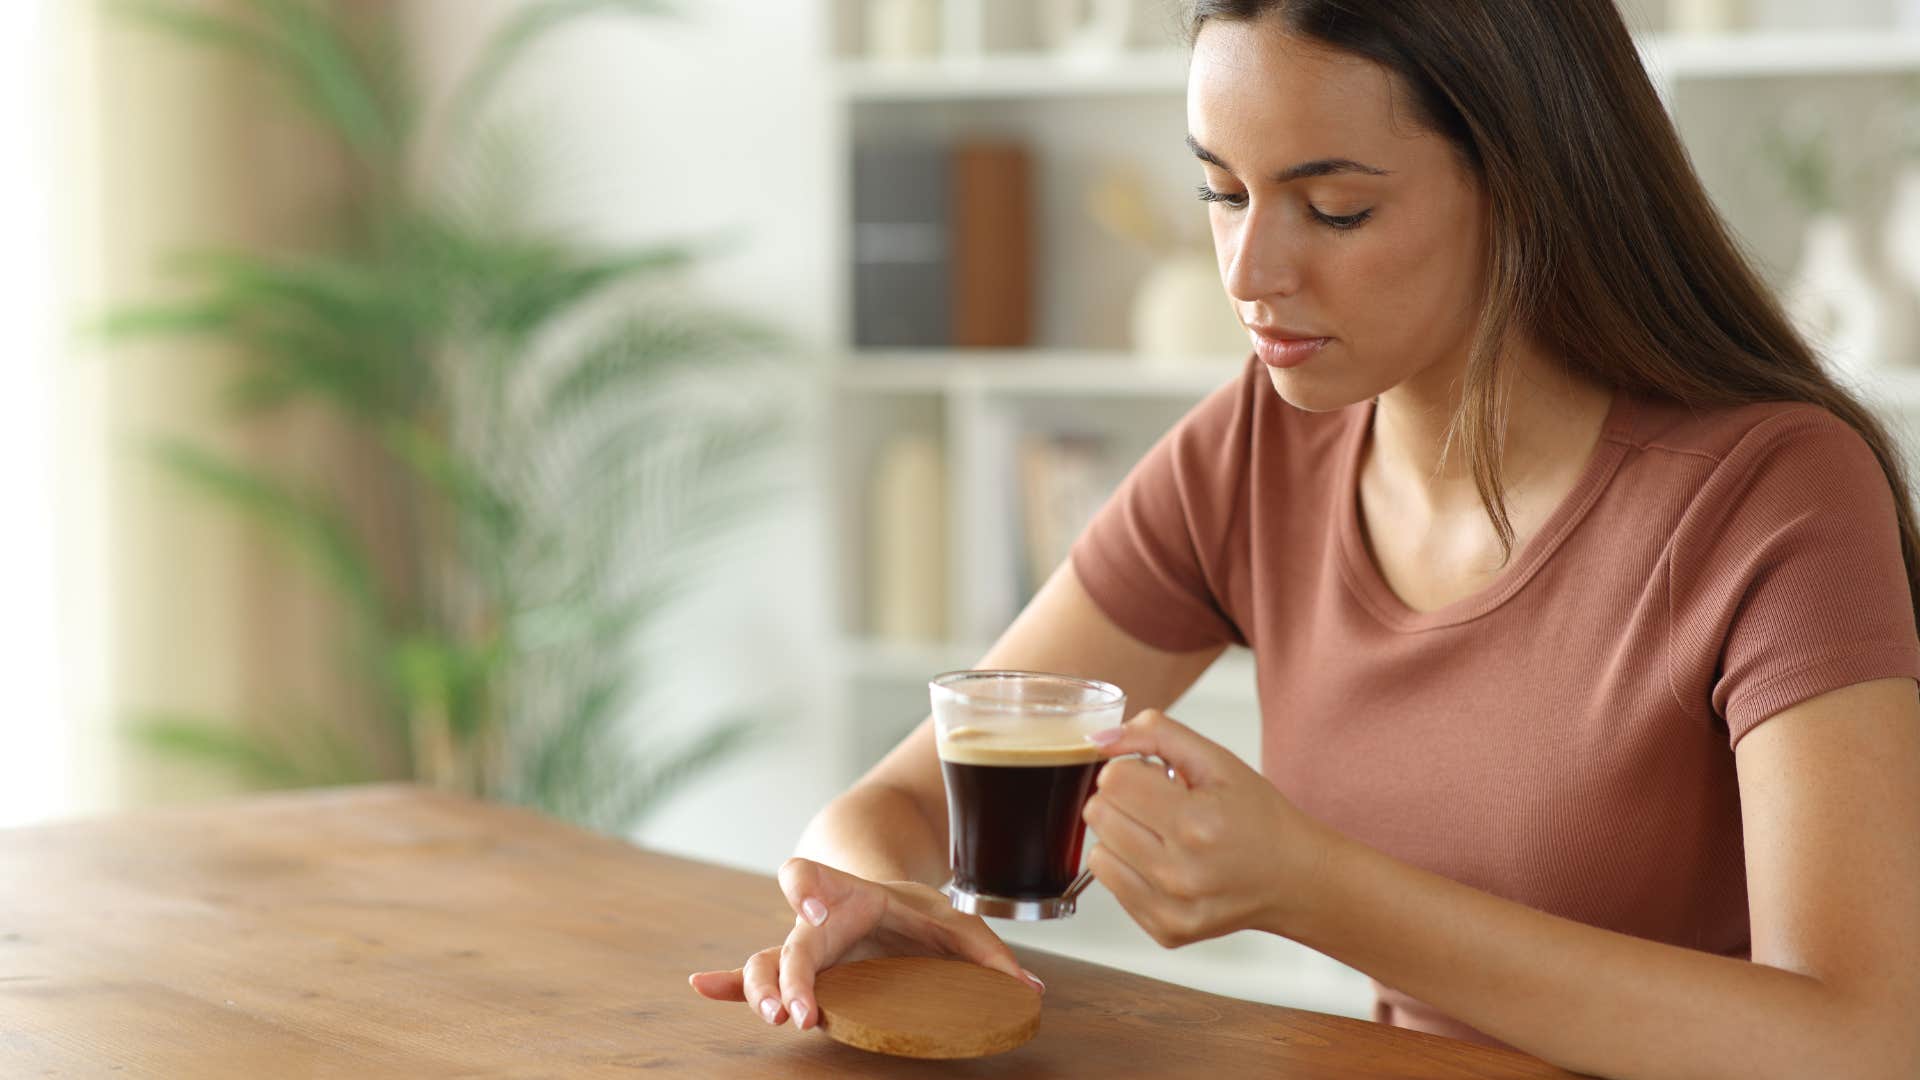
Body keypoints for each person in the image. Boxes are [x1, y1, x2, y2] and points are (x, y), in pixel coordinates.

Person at [689, 2, 1920, 1075]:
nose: (1248, 270)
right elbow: (900, 802)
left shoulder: (1774, 495)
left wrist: (1313, 888)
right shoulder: (1257, 450)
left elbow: (1860, 1042)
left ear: (1529, 184)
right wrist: (882, 903)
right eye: (1222, 192)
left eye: (1334, 209)